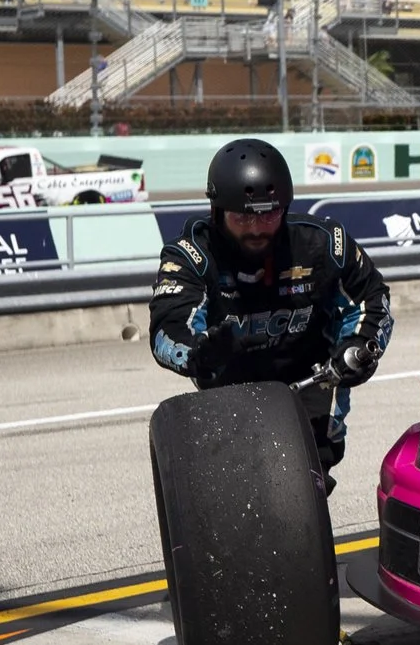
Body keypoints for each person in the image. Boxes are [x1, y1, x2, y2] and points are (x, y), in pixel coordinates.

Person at [149, 139, 393, 490]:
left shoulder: (327, 244)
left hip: (311, 378)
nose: (256, 228)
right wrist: (197, 354)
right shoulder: (190, 256)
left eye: (268, 214)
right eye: (243, 216)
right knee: (235, 487)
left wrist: (359, 345)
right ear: (218, 211)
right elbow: (167, 327)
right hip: (230, 384)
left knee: (307, 483)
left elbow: (372, 298)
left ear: (285, 207)